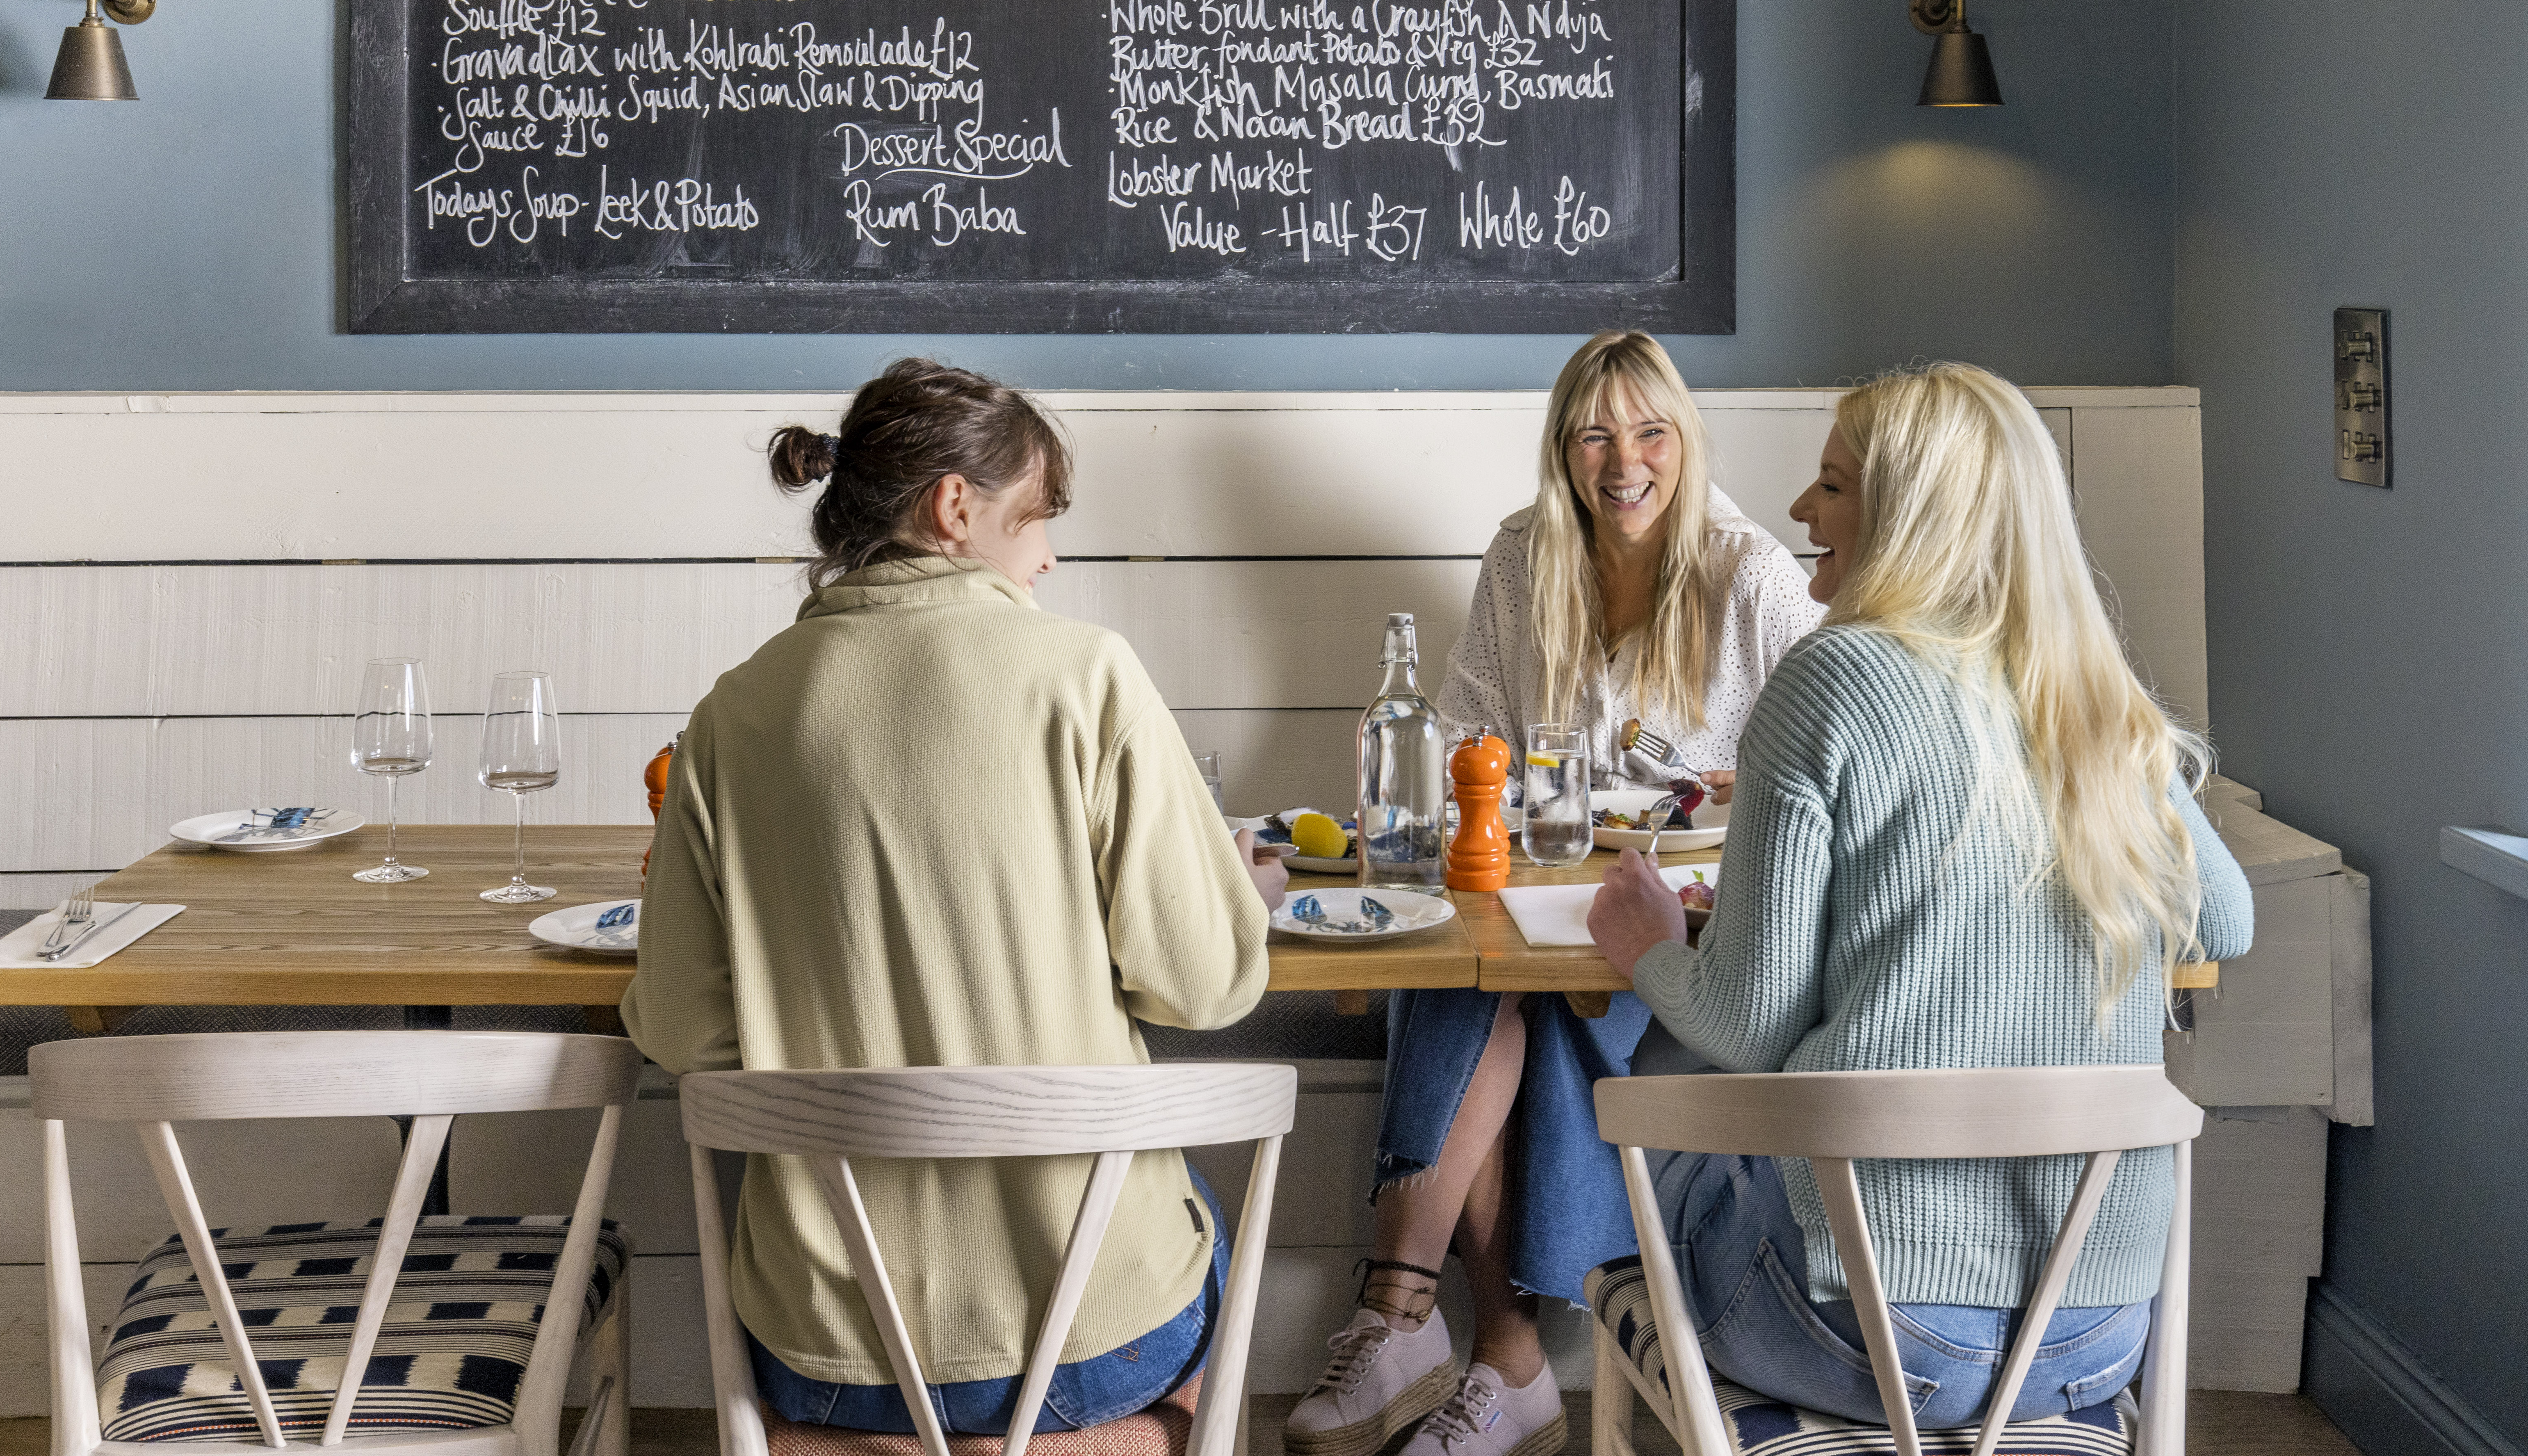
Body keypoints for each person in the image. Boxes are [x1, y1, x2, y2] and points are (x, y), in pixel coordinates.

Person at [623, 357, 1289, 1438]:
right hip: (1081, 1342)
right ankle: (1122, 1438)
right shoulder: (1088, 676)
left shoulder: (729, 718)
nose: (1049, 555)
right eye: (1036, 521)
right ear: (955, 508)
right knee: (1197, 1237)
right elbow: (1206, 986)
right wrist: (1238, 896)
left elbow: (685, 1031)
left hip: (829, 1352)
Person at [1586, 362, 2255, 1431]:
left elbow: (1748, 1027)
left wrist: (1650, 947)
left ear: (1913, 515)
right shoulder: (2094, 693)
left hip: (1869, 1336)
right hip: (2093, 1338)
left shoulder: (1831, 680)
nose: (1802, 510)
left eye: (1834, 486)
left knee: (1652, 1091)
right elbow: (2227, 922)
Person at [1286, 331, 1819, 1456]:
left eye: (1649, 433)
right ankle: (1463, 1346)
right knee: (1458, 969)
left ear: (1684, 441)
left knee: (1482, 994)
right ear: (1565, 451)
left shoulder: (1752, 575)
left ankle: (1436, 1333)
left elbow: (1831, 741)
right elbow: (1469, 736)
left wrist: (1746, 778)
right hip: (1536, 902)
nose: (1623, 462)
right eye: (1595, 437)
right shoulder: (1524, 558)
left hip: (1686, 928)